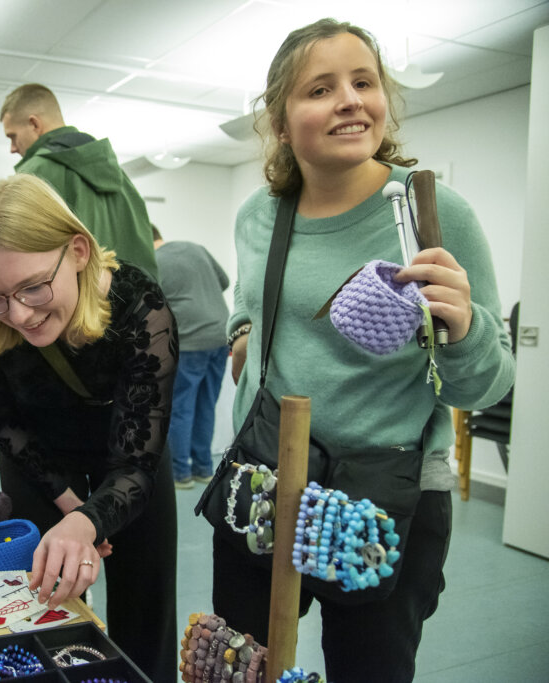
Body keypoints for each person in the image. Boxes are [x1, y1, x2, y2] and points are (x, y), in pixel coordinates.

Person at [220, 18, 515, 681]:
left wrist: (465, 330)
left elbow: (486, 387)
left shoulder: (435, 216)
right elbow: (247, 290)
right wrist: (245, 330)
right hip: (269, 476)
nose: (351, 100)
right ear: (280, 117)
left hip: (390, 493)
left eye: (364, 82)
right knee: (246, 659)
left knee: (369, 665)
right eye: (320, 88)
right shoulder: (259, 216)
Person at [0, 174, 178, 681]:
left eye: (33, 287)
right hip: (37, 454)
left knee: (146, 609)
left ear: (77, 250)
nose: (20, 314)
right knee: (38, 610)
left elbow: (137, 462)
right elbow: (3, 423)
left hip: (128, 450)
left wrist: (94, 519)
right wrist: (73, 507)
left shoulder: (141, 305)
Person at [0, 83, 158, 279]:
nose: (12, 148)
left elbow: (19, 260)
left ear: (34, 124)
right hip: (135, 304)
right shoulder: (121, 176)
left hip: (77, 307)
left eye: (12, 136)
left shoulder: (34, 174)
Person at [152, 225, 230, 489]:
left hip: (191, 341)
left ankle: (180, 474)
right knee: (206, 404)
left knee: (182, 407)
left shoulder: (155, 262)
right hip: (221, 336)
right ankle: (204, 468)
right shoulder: (196, 248)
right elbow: (225, 282)